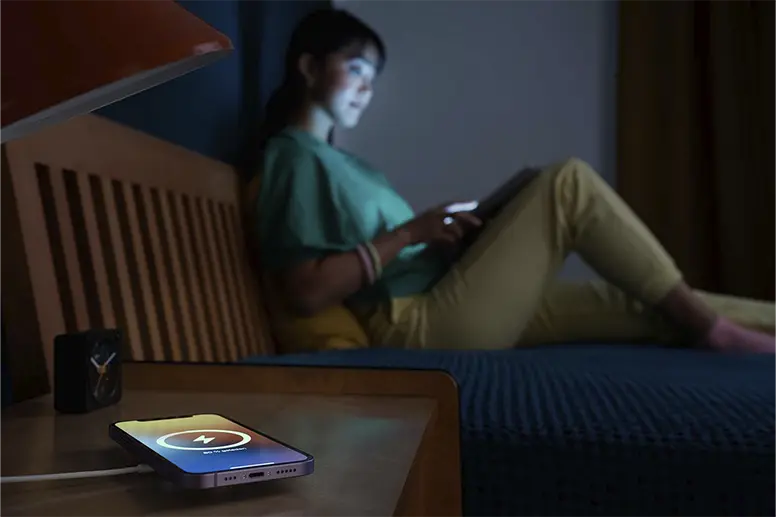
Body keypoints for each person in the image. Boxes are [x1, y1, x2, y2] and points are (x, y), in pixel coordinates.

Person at [252, 8, 776, 353]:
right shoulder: (293, 158)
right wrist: (412, 233)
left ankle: (751, 327)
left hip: (444, 294)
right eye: (357, 68)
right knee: (567, 183)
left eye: (374, 77)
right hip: (414, 328)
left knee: (630, 303)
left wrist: (449, 236)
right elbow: (306, 292)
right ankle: (717, 331)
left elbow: (398, 249)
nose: (367, 88)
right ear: (309, 66)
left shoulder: (352, 166)